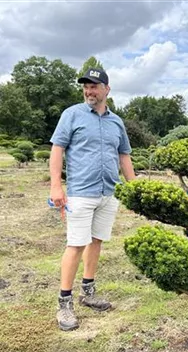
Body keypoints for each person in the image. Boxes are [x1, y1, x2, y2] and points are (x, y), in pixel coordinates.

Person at [49, 68, 135, 331]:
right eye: (86, 86)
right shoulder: (72, 115)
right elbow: (57, 149)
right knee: (75, 244)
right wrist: (56, 186)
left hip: (108, 193)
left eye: (94, 86)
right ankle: (64, 303)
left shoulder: (116, 122)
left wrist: (136, 191)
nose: (89, 91)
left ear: (106, 89)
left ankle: (89, 291)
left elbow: (124, 157)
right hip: (80, 193)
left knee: (96, 241)